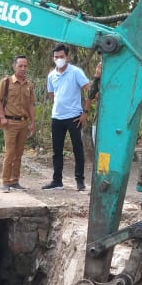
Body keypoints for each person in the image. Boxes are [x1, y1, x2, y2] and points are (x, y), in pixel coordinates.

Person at [43, 44, 91, 191]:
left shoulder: (76, 72)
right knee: (57, 150)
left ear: (67, 57)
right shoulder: (51, 75)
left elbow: (89, 90)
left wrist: (85, 112)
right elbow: (52, 94)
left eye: (61, 57)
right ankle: (57, 180)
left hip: (74, 117)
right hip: (57, 117)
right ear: (53, 58)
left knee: (77, 148)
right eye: (56, 57)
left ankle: (80, 180)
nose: (59, 59)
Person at [0, 55, 36, 192]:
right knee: (10, 153)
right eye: (20, 66)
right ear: (14, 66)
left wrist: (32, 122)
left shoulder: (29, 84)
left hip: (23, 123)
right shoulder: (6, 82)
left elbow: (31, 105)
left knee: (19, 153)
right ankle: (5, 181)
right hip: (10, 123)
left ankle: (15, 180)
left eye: (25, 66)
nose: (23, 68)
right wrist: (2, 117)